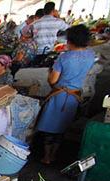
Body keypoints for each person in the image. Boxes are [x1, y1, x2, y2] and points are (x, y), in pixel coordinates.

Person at [36, 25, 95, 164]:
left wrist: (51, 71)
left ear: (70, 40)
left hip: (59, 95)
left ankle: (47, 156)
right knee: (62, 128)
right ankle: (55, 154)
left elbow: (53, 80)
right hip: (74, 97)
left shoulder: (64, 57)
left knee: (50, 128)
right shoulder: (90, 55)